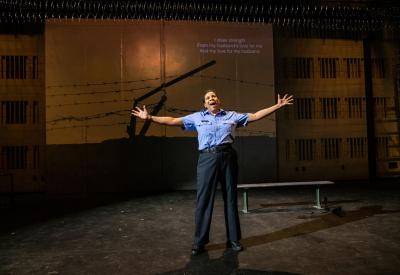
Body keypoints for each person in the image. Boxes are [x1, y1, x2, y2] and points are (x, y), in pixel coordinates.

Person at [131, 89, 293, 256]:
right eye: (208, 97)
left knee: (230, 198)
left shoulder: (231, 116)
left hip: (227, 156)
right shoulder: (196, 118)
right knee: (204, 200)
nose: (211, 98)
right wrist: (150, 117)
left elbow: (256, 115)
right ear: (204, 104)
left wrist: (277, 106)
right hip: (207, 159)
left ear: (218, 100)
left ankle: (233, 240)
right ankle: (199, 242)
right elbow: (172, 120)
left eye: (214, 96)